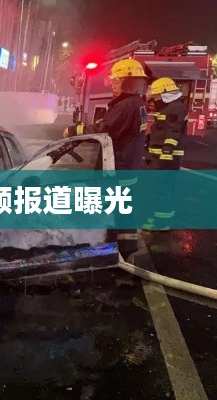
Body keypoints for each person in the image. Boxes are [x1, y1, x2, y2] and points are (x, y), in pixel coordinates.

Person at [63, 58, 150, 259]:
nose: (113, 85)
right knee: (121, 207)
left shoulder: (127, 105)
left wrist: (74, 131)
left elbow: (107, 129)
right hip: (128, 164)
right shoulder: (136, 104)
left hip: (120, 166)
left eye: (117, 81)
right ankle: (122, 249)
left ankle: (117, 249)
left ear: (128, 82)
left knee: (115, 206)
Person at [142, 77, 188, 231]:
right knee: (165, 188)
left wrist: (167, 150)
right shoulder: (170, 107)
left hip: (165, 157)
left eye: (156, 97)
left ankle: (161, 223)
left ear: (165, 93)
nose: (155, 100)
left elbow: (174, 129)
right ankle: (164, 218)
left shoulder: (175, 108)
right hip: (162, 156)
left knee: (161, 189)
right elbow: (163, 130)